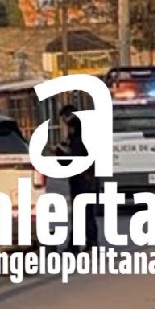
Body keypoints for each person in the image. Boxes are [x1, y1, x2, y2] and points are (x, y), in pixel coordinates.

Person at [59, 104, 100, 249]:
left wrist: (60, 152)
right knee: (87, 211)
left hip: (82, 178)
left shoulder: (77, 132)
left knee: (81, 211)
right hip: (89, 177)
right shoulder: (87, 131)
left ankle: (78, 244)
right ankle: (89, 242)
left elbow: (75, 157)